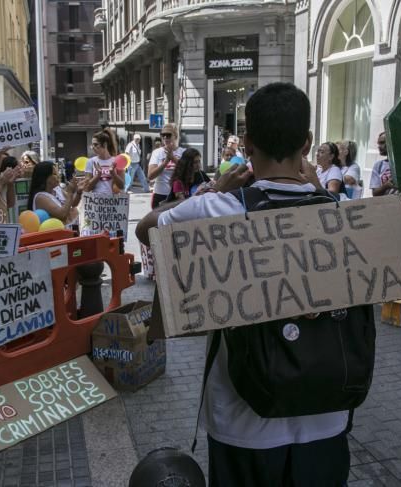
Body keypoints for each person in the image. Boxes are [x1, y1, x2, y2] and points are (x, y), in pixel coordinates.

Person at [137, 83, 352, 486]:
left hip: (242, 420)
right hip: (327, 419)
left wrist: (215, 190)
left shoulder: (215, 209)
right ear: (307, 143)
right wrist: (322, 195)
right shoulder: (345, 218)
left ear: (248, 143)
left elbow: (148, 229)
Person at [147, 123, 185, 208]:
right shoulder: (157, 152)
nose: (164, 137)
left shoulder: (183, 152)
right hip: (160, 194)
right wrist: (165, 162)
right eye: (163, 135)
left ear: (175, 136)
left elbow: (188, 170)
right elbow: (150, 176)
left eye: (168, 135)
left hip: (178, 195)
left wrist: (173, 158)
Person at [83, 128, 124, 194]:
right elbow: (87, 188)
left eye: (96, 144)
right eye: (92, 145)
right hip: (96, 202)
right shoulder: (90, 162)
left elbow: (122, 186)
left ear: (105, 144)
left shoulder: (117, 161)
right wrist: (98, 175)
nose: (93, 147)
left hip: (112, 201)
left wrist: (113, 173)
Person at [370, 132, 397, 196]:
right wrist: (386, 186)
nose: (379, 147)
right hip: (385, 204)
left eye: (382, 143)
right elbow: (375, 194)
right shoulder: (378, 165)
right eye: (378, 144)